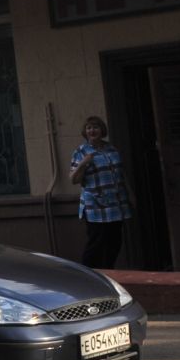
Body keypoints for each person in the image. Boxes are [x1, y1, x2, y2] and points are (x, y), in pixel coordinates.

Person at [69, 115, 132, 269]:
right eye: (89, 128)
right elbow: (73, 179)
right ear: (85, 131)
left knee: (115, 242)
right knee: (96, 243)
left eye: (95, 127)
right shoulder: (81, 151)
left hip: (116, 204)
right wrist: (83, 163)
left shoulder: (111, 149)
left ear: (101, 130)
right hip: (95, 206)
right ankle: (88, 275)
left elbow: (122, 174)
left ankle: (108, 272)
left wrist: (131, 196)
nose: (92, 130)